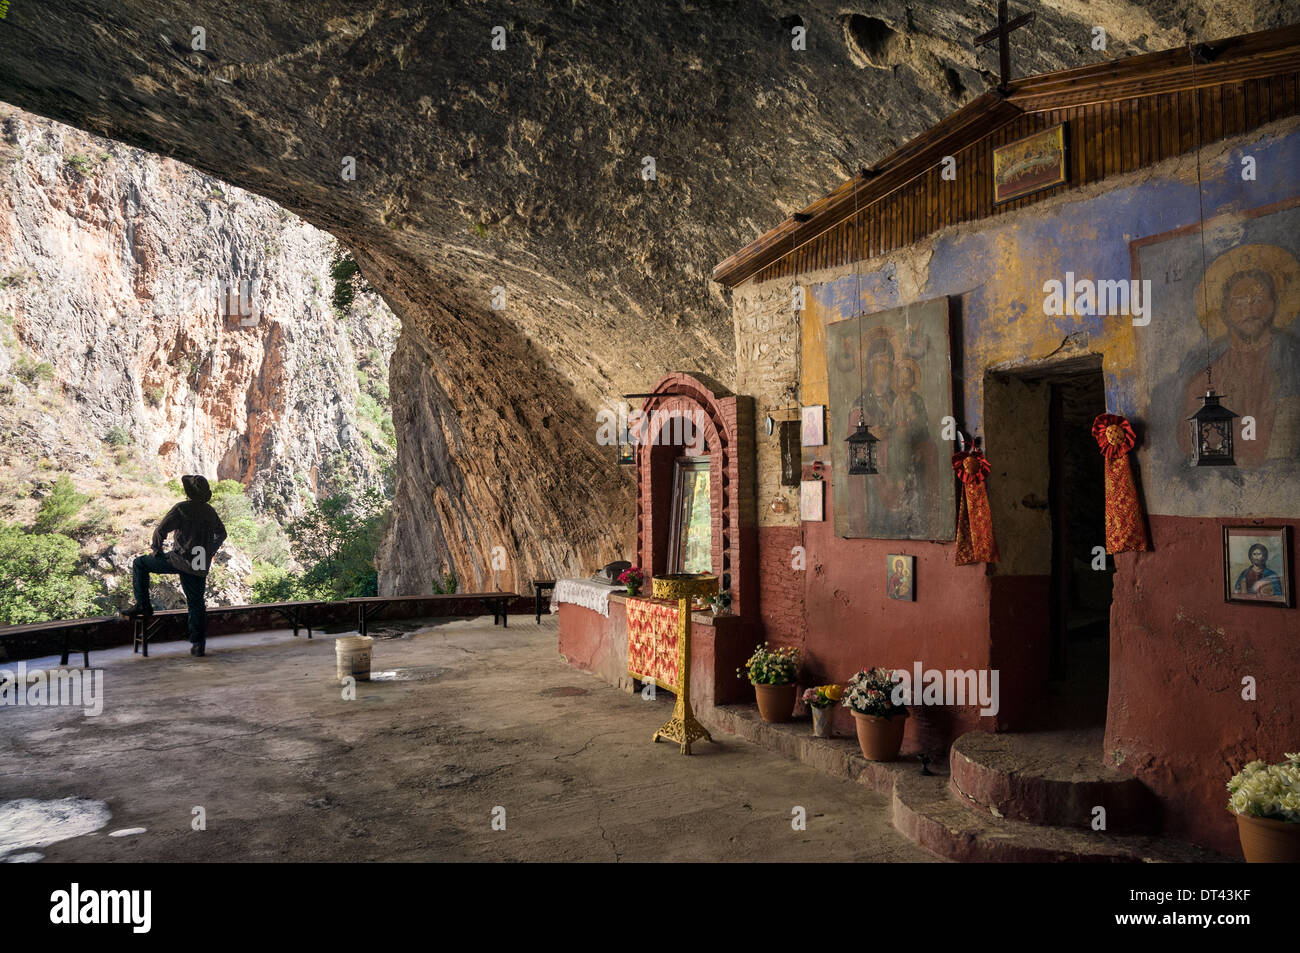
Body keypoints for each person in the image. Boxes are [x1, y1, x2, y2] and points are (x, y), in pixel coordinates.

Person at [119, 475, 227, 656]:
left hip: (179, 559)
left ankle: (143, 606)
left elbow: (161, 530)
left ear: (189, 492)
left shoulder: (182, 508)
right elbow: (222, 534)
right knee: (196, 603)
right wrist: (210, 551)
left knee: (140, 564)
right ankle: (198, 643)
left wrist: (156, 549)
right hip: (199, 560)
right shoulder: (209, 511)